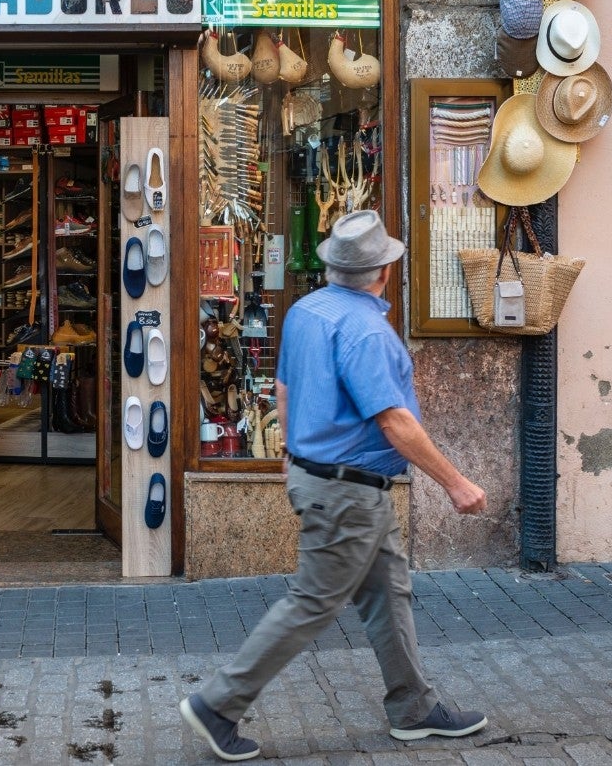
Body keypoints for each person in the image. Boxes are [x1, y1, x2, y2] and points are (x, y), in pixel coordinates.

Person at [179, 210, 489, 762]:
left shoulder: (305, 310)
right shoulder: (368, 330)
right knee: (313, 602)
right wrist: (455, 483)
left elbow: (283, 384)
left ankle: (414, 708)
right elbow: (395, 422)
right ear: (384, 272)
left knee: (388, 591)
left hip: (325, 478)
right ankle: (218, 705)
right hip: (348, 490)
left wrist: (290, 453)